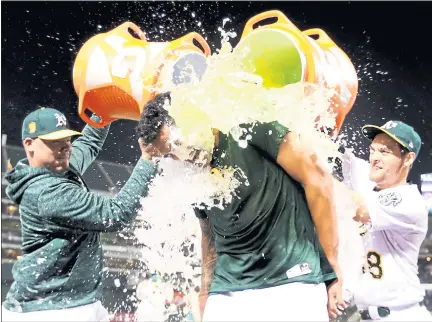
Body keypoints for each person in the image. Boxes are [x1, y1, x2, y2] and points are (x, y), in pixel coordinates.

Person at [136, 93, 348, 321]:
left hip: (291, 279)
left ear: (193, 119)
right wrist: (206, 291)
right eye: (168, 155)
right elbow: (208, 231)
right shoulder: (191, 170)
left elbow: (317, 177)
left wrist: (332, 262)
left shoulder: (247, 125)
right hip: (227, 289)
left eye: (176, 144)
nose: (178, 157)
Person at [1, 107, 169, 322]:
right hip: (49, 310)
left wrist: (105, 107)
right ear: (29, 144)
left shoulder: (58, 166)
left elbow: (89, 141)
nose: (64, 147)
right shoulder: (47, 192)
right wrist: (149, 157)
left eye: (66, 139)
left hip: (70, 301)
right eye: (54, 141)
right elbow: (116, 214)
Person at [341, 120, 431, 321]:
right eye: (373, 150)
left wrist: (318, 181)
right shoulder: (369, 179)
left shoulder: (408, 200)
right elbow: (331, 151)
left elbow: (357, 209)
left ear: (407, 158)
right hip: (364, 315)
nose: (375, 158)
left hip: (401, 315)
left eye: (385, 152)